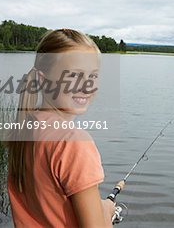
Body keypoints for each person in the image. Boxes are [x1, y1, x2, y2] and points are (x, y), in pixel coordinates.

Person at [7, 28, 116, 227]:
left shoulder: (26, 127)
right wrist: (107, 214)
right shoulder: (73, 142)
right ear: (43, 79)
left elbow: (51, 202)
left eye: (93, 76)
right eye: (74, 75)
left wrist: (100, 208)